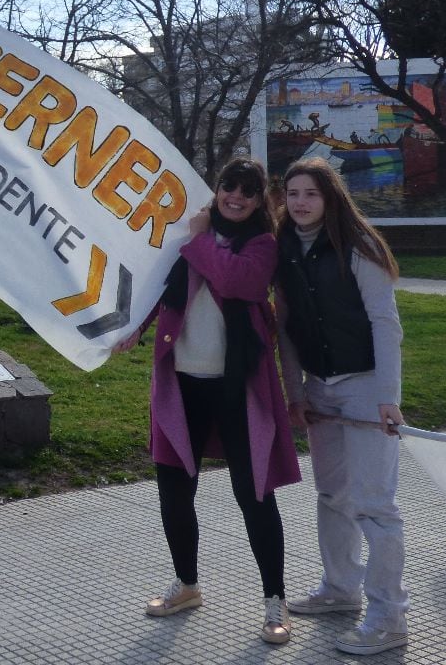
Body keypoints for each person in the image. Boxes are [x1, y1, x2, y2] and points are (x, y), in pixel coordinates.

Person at [128, 157, 300, 645]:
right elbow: (159, 290)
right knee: (174, 490)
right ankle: (187, 585)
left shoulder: (262, 245)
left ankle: (274, 600)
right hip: (181, 382)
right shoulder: (187, 236)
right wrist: (129, 331)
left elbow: (237, 282)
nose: (237, 198)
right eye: (230, 187)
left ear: (259, 200)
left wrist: (199, 238)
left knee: (255, 494)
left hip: (238, 387)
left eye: (249, 192)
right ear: (218, 188)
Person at [275, 157, 409, 656]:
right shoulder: (283, 250)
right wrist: (295, 392)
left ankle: (389, 617)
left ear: (331, 198)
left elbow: (384, 322)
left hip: (366, 386)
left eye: (311, 194)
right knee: (332, 495)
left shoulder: (360, 246)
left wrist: (387, 397)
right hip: (320, 388)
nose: (301, 203)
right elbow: (285, 328)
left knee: (376, 505)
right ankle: (339, 588)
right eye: (292, 194)